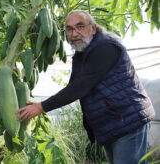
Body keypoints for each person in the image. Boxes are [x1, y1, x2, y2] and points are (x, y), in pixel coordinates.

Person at [17, 10, 155, 164]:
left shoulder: (105, 48)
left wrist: (42, 107)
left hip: (128, 122)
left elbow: (80, 87)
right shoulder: (81, 54)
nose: (74, 33)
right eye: (69, 29)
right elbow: (73, 87)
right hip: (114, 124)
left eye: (80, 26)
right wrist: (40, 104)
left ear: (93, 28)